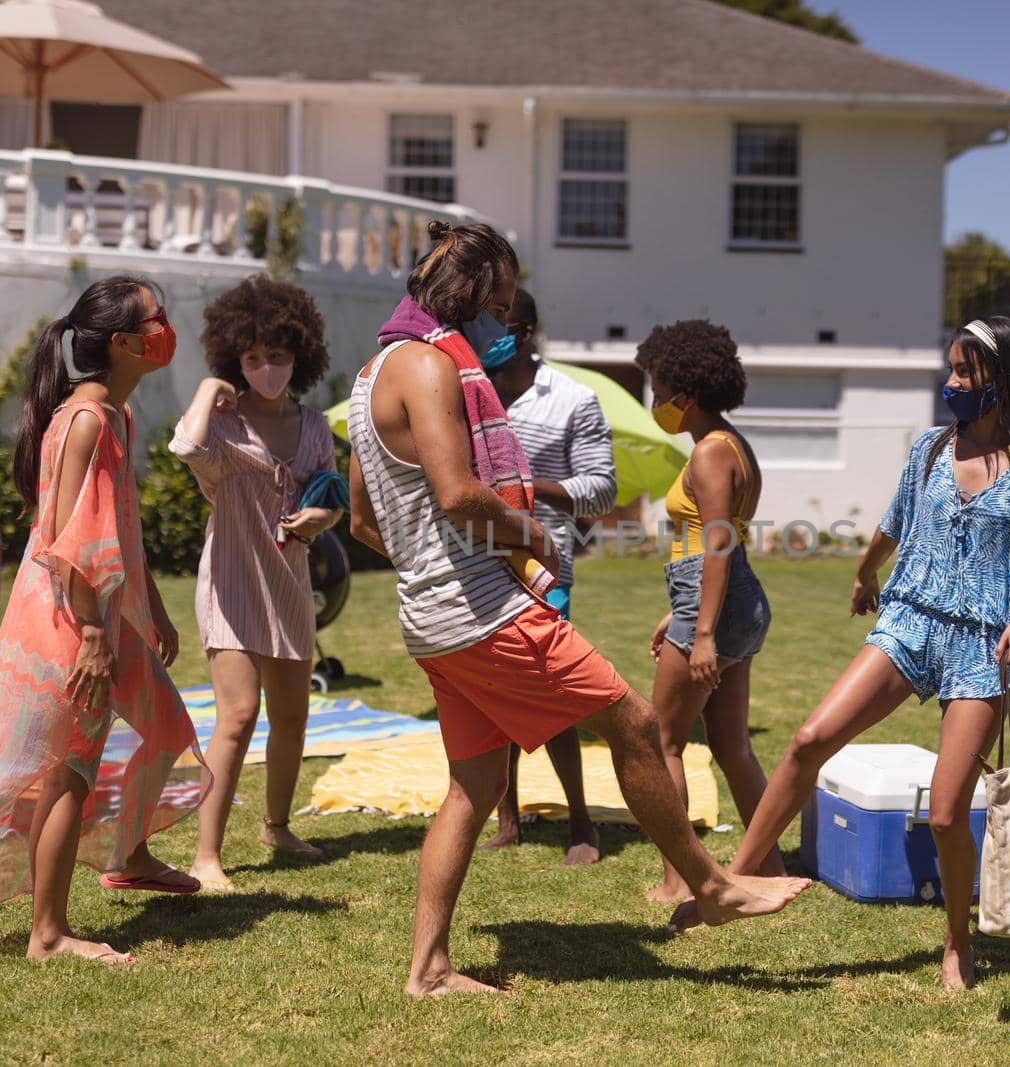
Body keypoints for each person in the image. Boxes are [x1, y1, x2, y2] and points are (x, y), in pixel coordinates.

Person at [347, 220, 810, 996]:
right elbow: (461, 493)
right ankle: (713, 885)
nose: (505, 321)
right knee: (634, 722)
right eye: (498, 302)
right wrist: (532, 535)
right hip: (486, 614)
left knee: (473, 786)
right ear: (468, 295)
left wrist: (435, 566)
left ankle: (428, 968)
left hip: (432, 619)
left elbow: (365, 518)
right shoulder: (428, 366)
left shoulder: (369, 375)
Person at [668, 317, 1010, 992]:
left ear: (1002, 381)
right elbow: (896, 519)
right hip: (911, 620)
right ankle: (733, 885)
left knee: (947, 811)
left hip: (982, 642)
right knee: (807, 738)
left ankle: (956, 939)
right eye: (950, 368)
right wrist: (865, 571)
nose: (950, 383)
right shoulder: (927, 449)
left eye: (964, 373)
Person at [0, 276, 207, 963]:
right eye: (154, 321)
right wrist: (94, 637)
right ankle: (49, 933)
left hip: (99, 613)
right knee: (67, 772)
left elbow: (114, 524)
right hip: (69, 623)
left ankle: (131, 855)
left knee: (167, 724)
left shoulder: (107, 416)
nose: (164, 329)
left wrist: (147, 604)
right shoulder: (87, 419)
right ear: (122, 344)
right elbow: (69, 541)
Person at [171, 276, 345, 892]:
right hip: (231, 583)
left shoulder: (316, 425)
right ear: (233, 359)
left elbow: (332, 495)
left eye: (276, 355)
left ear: (299, 355)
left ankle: (277, 826)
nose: (266, 367)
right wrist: (210, 386)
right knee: (239, 716)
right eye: (251, 358)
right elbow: (186, 446)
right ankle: (206, 855)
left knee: (294, 717)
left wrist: (322, 518)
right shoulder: (220, 419)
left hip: (289, 580)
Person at [633, 320, 784, 903]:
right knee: (731, 746)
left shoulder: (707, 454)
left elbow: (715, 543)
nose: (655, 401)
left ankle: (679, 882)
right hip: (729, 599)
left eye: (657, 387)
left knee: (663, 744)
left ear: (686, 394)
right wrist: (681, 615)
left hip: (713, 602)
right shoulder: (734, 443)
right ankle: (770, 866)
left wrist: (699, 634)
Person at [479, 288, 616, 865]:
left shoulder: (573, 400)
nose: (486, 336)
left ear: (526, 332)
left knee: (551, 688)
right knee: (492, 694)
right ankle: (507, 818)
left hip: (544, 566)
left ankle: (582, 822)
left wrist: (531, 491)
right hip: (479, 563)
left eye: (497, 325)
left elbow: (602, 490)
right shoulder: (467, 394)